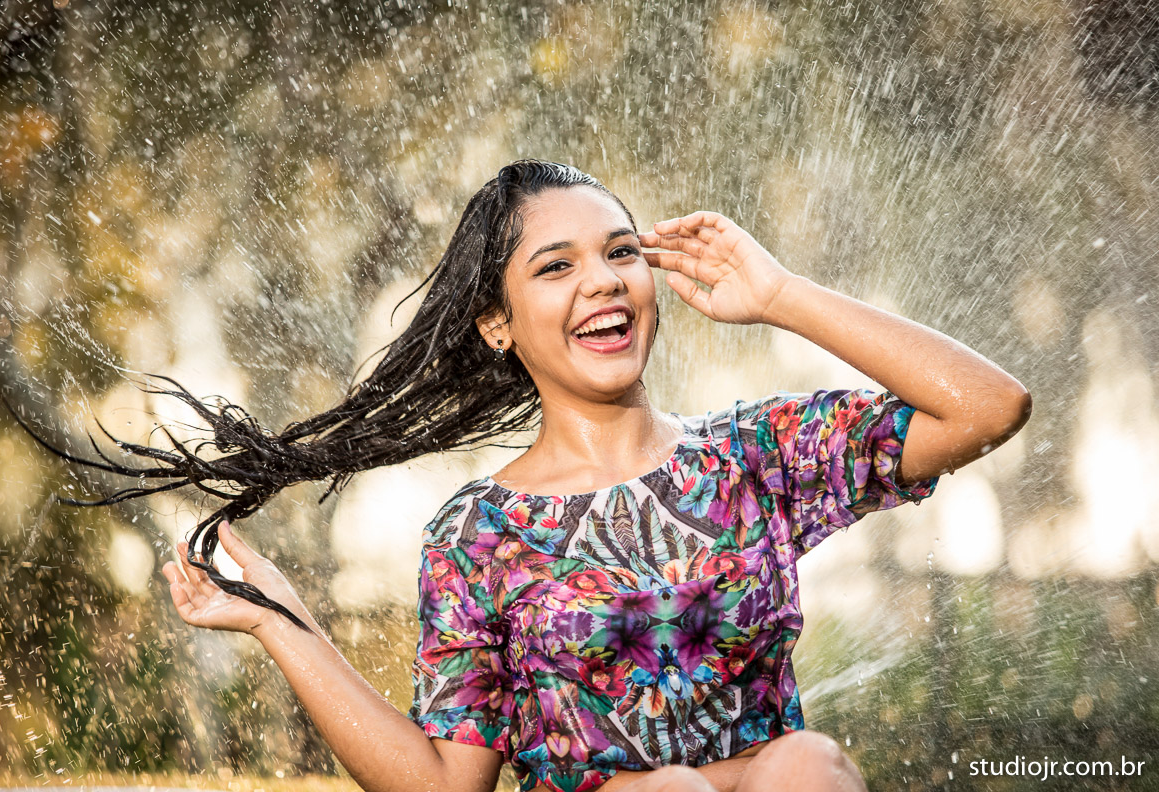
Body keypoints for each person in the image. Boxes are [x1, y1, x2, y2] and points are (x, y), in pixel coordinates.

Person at [149, 160, 1031, 792]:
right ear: (498, 323)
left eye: (621, 253)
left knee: (808, 761)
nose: (604, 282)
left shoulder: (751, 457)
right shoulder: (477, 537)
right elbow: (444, 784)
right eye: (556, 266)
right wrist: (282, 624)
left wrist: (779, 295)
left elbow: (987, 409)